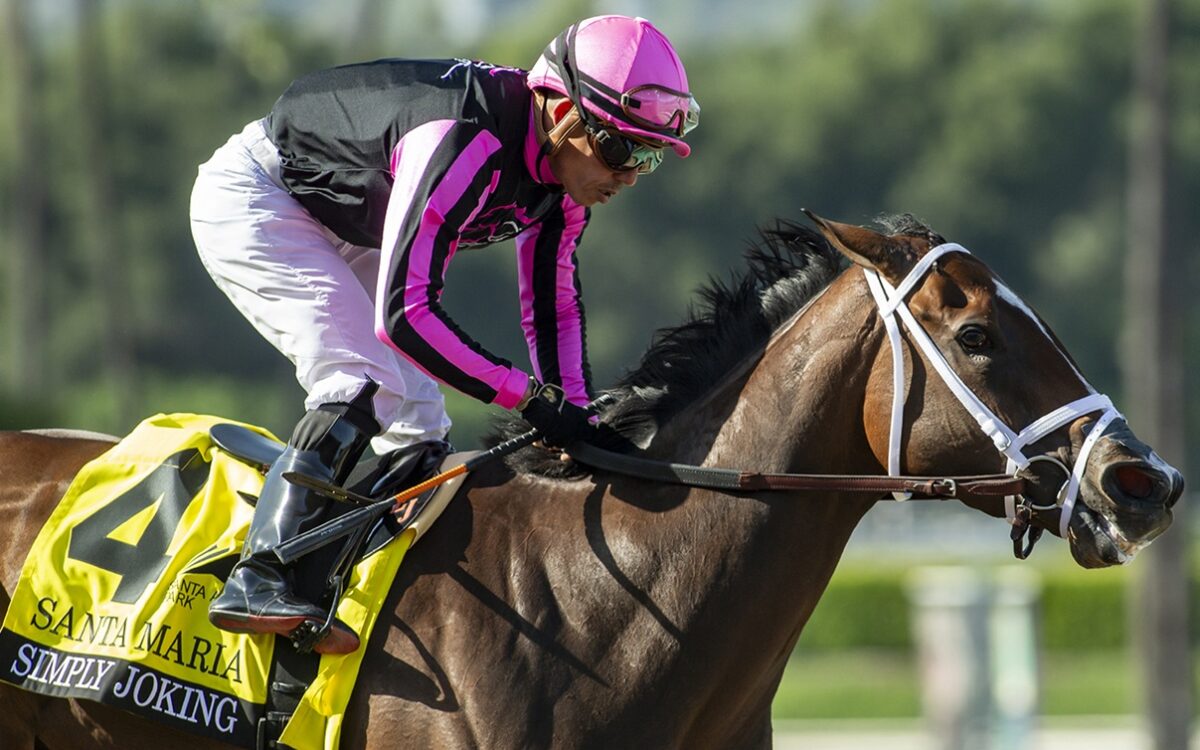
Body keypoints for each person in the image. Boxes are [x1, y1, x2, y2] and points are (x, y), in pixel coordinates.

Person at [190, 15, 699, 654]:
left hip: (350, 221)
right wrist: (528, 399)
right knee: (360, 380)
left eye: (650, 157)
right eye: (623, 149)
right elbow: (404, 315)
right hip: (262, 197)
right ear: (564, 112)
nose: (630, 175)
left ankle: (344, 584)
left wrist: (579, 421)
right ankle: (260, 574)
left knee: (424, 426)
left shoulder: (564, 186)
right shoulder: (467, 143)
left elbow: (554, 312)